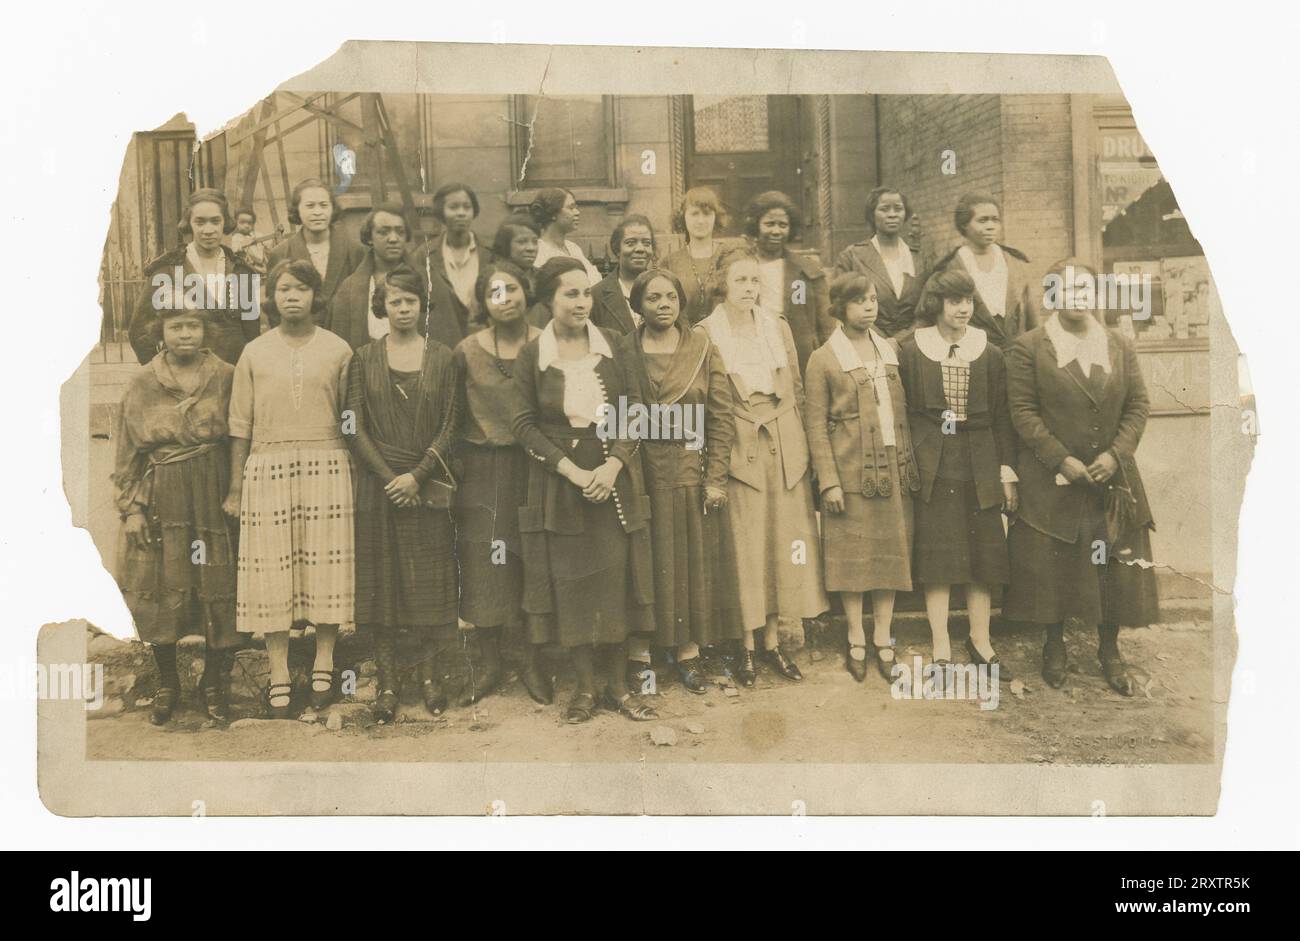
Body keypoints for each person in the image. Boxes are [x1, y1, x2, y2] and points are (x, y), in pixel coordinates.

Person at [510, 257, 658, 723]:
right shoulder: (533, 355)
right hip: (561, 482)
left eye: (586, 293)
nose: (581, 302)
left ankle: (618, 686)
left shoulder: (614, 345)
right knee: (571, 586)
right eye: (569, 294)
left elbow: (635, 410)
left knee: (616, 581)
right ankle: (585, 690)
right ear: (548, 301)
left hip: (613, 478)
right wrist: (571, 471)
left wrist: (614, 464)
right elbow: (522, 424)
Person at [1003, 259, 1159, 696]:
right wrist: (1059, 459)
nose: (1078, 297)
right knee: (1054, 565)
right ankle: (1054, 647)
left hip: (1112, 477)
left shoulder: (1118, 344)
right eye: (1068, 289)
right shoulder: (1029, 347)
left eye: (1086, 289)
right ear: (1053, 295)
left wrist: (1116, 454)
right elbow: (1023, 412)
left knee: (1111, 565)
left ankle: (1110, 651)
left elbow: (1138, 404)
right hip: (1055, 477)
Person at [224, 260, 355, 718]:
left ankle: (325, 658)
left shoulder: (338, 350)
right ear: (272, 298)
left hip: (326, 462)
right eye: (283, 289)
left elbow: (349, 418)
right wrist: (236, 488)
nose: (292, 296)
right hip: (267, 465)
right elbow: (240, 425)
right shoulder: (255, 352)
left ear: (315, 297)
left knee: (325, 563)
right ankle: (278, 669)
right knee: (271, 568)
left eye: (301, 289)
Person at [700, 246, 828, 686]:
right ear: (722, 283)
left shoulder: (777, 327)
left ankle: (773, 642)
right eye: (740, 281)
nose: (749, 289)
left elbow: (794, 384)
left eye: (754, 281)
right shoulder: (707, 333)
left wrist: (795, 437)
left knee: (779, 545)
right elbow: (712, 400)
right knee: (746, 548)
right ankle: (746, 647)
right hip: (739, 445)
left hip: (783, 443)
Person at [113, 300, 240, 724]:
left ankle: (215, 683)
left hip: (213, 488)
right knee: (161, 586)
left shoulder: (226, 375)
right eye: (176, 327)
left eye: (193, 326)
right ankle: (168, 682)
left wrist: (237, 492)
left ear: (205, 332)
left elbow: (241, 434)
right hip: (161, 496)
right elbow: (128, 453)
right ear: (160, 333)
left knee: (218, 581)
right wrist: (131, 509)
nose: (185, 334)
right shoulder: (142, 382)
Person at [347, 266, 460, 722]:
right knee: (384, 587)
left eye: (411, 300)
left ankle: (430, 678)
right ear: (382, 306)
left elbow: (452, 422)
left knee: (429, 587)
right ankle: (390, 683)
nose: (404, 308)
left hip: (426, 485)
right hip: (380, 489)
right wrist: (389, 477)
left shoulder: (444, 357)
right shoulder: (363, 358)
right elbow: (352, 424)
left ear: (422, 305)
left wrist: (418, 474)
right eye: (395, 301)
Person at [898, 268, 1018, 689]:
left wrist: (1005, 471)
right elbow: (907, 411)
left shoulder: (990, 352)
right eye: (954, 301)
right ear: (937, 304)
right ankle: (941, 645)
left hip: (979, 457)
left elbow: (1003, 417)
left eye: (968, 299)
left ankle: (980, 641)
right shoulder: (913, 351)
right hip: (936, 458)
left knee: (983, 556)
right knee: (940, 557)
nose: (963, 308)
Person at [804, 273, 920, 682]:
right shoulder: (823, 358)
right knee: (853, 560)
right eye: (859, 301)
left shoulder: (889, 350)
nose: (869, 307)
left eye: (872, 299)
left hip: (892, 466)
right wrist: (829, 482)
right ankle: (855, 636)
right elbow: (815, 426)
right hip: (849, 471)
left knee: (889, 556)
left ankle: (884, 637)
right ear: (840, 307)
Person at [627, 268, 736, 692]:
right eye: (653, 298)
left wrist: (716, 478)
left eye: (670, 297)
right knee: (644, 559)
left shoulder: (702, 347)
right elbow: (616, 415)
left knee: (688, 559)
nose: (663, 305)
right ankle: (640, 656)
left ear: (681, 302)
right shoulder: (624, 350)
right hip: (639, 467)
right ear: (639, 304)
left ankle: (688, 652)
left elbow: (720, 416)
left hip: (690, 465)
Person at [452, 260, 546, 705]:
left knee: (532, 555)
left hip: (535, 467)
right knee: (485, 560)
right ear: (483, 302)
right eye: (494, 292)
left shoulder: (547, 345)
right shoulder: (467, 350)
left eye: (512, 288)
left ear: (527, 293)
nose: (505, 298)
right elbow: (452, 415)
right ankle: (489, 660)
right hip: (484, 469)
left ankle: (531, 659)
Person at [128, 188, 260, 366]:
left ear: (225, 222)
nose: (208, 230)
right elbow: (139, 331)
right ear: (189, 223)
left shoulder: (241, 272)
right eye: (200, 222)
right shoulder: (168, 271)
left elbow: (252, 333)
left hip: (233, 377)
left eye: (215, 221)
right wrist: (163, 373)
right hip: (184, 379)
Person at [327, 202, 463, 351]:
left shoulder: (428, 281)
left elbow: (446, 340)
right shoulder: (350, 288)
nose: (393, 239)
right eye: (383, 232)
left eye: (400, 232)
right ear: (370, 237)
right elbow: (339, 347)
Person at [922, 193, 1035, 351]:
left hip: (1015, 354)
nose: (990, 226)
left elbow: (1031, 317)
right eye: (982, 220)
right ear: (964, 225)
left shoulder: (1014, 262)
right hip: (970, 353)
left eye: (995, 220)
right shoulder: (950, 266)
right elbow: (929, 316)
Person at [742, 190, 835, 377]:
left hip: (799, 358)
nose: (776, 231)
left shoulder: (805, 271)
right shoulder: (741, 268)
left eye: (782, 225)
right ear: (756, 225)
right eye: (769, 224)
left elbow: (826, 324)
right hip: (752, 353)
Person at [832, 187, 924, 340]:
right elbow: (841, 307)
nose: (892, 214)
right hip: (865, 343)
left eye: (898, 209)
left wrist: (901, 341)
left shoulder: (921, 259)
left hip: (913, 345)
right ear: (872, 215)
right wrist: (882, 343)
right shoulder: (852, 256)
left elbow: (927, 311)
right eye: (884, 209)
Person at [265, 178, 365, 310]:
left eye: (323, 205)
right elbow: (274, 308)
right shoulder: (280, 253)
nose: (317, 212)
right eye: (310, 206)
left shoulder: (355, 251)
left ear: (332, 209)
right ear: (297, 210)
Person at [413, 182, 493, 333]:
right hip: (444, 336)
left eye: (467, 207)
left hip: (485, 336)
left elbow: (500, 298)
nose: (461, 213)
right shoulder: (425, 254)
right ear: (441, 211)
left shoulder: (491, 252)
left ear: (473, 211)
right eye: (453, 207)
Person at [664, 187, 729, 325]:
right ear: (683, 217)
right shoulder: (670, 263)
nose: (700, 221)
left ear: (715, 217)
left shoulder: (729, 256)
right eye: (694, 214)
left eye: (707, 214)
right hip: (684, 339)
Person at [589, 214, 656, 334]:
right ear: (617, 249)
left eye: (646, 243)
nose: (640, 249)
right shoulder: (596, 296)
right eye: (631, 243)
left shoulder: (666, 290)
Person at [529, 187, 601, 284]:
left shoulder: (573, 248)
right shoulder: (539, 252)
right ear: (553, 213)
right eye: (571, 208)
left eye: (576, 207)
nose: (577, 212)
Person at [230, 207, 268, 275]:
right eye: (242, 223)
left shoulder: (256, 234)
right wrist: (244, 243)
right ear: (236, 223)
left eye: (249, 223)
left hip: (259, 263)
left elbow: (266, 241)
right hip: (245, 266)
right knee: (244, 281)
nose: (246, 226)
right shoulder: (237, 237)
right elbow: (234, 249)